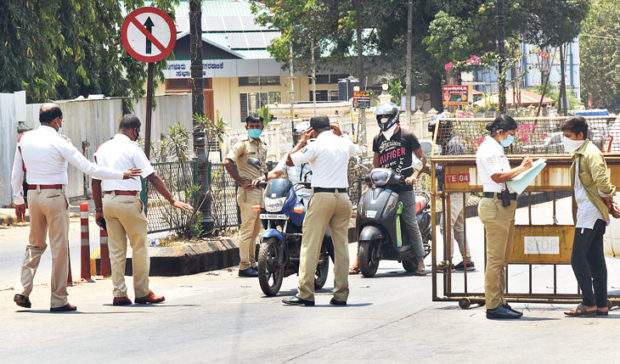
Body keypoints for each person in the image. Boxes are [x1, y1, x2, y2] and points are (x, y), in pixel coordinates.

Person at [10, 103, 141, 312]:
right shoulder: (60, 141)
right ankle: (58, 299)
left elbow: (17, 173)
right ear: (57, 121)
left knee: (34, 244)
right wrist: (120, 174)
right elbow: (88, 168)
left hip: (33, 195)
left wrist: (18, 200)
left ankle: (22, 289)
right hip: (54, 196)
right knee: (59, 248)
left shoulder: (24, 139)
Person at [92, 114, 193, 306]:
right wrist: (172, 200)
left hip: (108, 202)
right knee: (139, 247)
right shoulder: (132, 148)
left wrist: (98, 209)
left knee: (116, 250)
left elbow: (95, 181)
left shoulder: (102, 148)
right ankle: (142, 291)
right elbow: (152, 177)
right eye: (137, 132)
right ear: (133, 130)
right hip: (128, 201)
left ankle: (119, 293)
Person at [282, 115, 360, 306]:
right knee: (341, 246)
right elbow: (357, 150)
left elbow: (290, 161)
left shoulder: (315, 144)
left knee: (310, 245)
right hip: (343, 198)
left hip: (322, 197)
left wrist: (301, 141)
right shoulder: (343, 143)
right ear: (331, 126)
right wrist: (342, 134)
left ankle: (305, 294)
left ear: (313, 130)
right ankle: (341, 294)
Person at [350, 101, 427, 276]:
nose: (383, 120)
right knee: (363, 218)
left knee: (409, 221)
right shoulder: (378, 138)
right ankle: (357, 258)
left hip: (403, 188)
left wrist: (414, 176)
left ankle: (420, 259)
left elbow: (422, 159)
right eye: (381, 117)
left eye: (386, 116)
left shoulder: (407, 136)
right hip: (382, 188)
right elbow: (375, 164)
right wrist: (368, 185)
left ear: (394, 117)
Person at [476, 114, 531, 320]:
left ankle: (500, 301)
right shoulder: (488, 149)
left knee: (501, 260)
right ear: (500, 132)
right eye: (510, 135)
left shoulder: (497, 149)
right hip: (495, 205)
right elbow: (497, 176)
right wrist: (523, 168)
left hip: (504, 204)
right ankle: (493, 305)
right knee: (495, 260)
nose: (512, 139)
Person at [561, 117, 616, 317]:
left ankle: (589, 302)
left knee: (577, 258)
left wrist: (609, 196)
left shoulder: (590, 153)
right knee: (596, 259)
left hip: (590, 213)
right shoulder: (581, 153)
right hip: (591, 212)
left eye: (568, 136)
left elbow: (602, 181)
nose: (565, 140)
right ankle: (601, 304)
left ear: (580, 135)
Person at [224, 114, 267, 277]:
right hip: (248, 192)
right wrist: (240, 180)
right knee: (247, 230)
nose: (255, 129)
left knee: (255, 231)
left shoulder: (262, 144)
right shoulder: (242, 144)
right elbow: (228, 161)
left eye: (258, 126)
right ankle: (244, 266)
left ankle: (252, 263)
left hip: (259, 191)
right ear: (246, 127)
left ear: (262, 128)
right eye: (252, 126)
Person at [429, 117, 475, 272]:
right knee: (458, 227)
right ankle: (467, 260)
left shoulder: (453, 145)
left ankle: (447, 261)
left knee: (445, 225)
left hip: (457, 189)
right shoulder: (447, 144)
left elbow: (449, 169)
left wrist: (430, 169)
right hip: (456, 189)